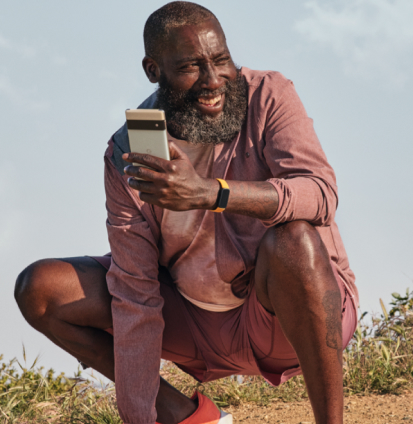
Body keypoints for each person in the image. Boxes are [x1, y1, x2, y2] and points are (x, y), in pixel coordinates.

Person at [14, 2, 359, 424]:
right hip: (194, 327)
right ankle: (190, 418)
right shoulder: (129, 151)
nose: (214, 81)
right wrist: (138, 415)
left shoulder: (269, 94)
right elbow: (136, 291)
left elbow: (319, 193)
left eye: (221, 60)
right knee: (42, 288)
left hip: (279, 318)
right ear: (153, 70)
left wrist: (209, 193)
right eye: (192, 67)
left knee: (296, 241)